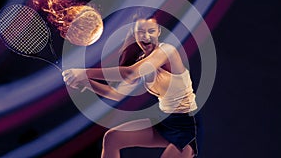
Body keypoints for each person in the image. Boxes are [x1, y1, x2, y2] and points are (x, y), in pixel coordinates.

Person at [62, 17, 198, 158]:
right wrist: (86, 82)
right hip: (165, 121)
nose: (146, 36)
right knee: (112, 138)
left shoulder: (167, 51)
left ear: (159, 31)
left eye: (151, 31)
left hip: (187, 126)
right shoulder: (141, 61)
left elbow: (130, 73)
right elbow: (116, 94)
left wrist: (84, 72)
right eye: (140, 32)